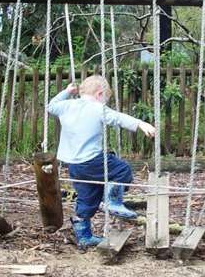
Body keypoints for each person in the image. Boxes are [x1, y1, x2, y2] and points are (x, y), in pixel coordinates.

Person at [47, 75, 156, 249]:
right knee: (122, 170)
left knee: (87, 197)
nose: (106, 102)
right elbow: (119, 118)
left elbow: (50, 106)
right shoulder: (98, 108)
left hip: (73, 164)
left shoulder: (66, 105)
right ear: (100, 94)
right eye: (106, 98)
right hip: (92, 159)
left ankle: (84, 237)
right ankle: (113, 201)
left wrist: (67, 91)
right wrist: (141, 124)